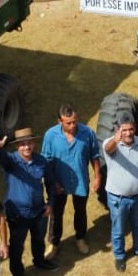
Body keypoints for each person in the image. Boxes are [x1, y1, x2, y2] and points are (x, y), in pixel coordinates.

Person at [0, 127, 58, 276]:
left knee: (38, 239)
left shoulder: (41, 161)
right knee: (16, 246)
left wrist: (50, 204)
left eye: (29, 143)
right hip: (18, 215)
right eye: (22, 144)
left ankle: (39, 261)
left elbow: (50, 183)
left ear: (34, 144)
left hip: (39, 212)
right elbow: (1, 158)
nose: (26, 147)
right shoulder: (11, 162)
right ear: (17, 147)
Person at [41, 104, 101, 259]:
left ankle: (80, 238)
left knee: (80, 211)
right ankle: (54, 243)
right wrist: (54, 183)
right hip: (57, 182)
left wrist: (97, 176)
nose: (73, 125)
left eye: (75, 121)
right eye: (68, 123)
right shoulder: (50, 135)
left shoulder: (87, 133)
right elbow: (46, 162)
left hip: (81, 181)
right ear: (59, 121)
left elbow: (94, 156)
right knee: (56, 213)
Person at [102, 112, 138, 272]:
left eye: (131, 129)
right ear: (118, 130)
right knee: (118, 229)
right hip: (118, 198)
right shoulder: (110, 144)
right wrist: (116, 140)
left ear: (135, 128)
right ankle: (119, 256)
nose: (128, 133)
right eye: (124, 130)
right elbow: (108, 149)